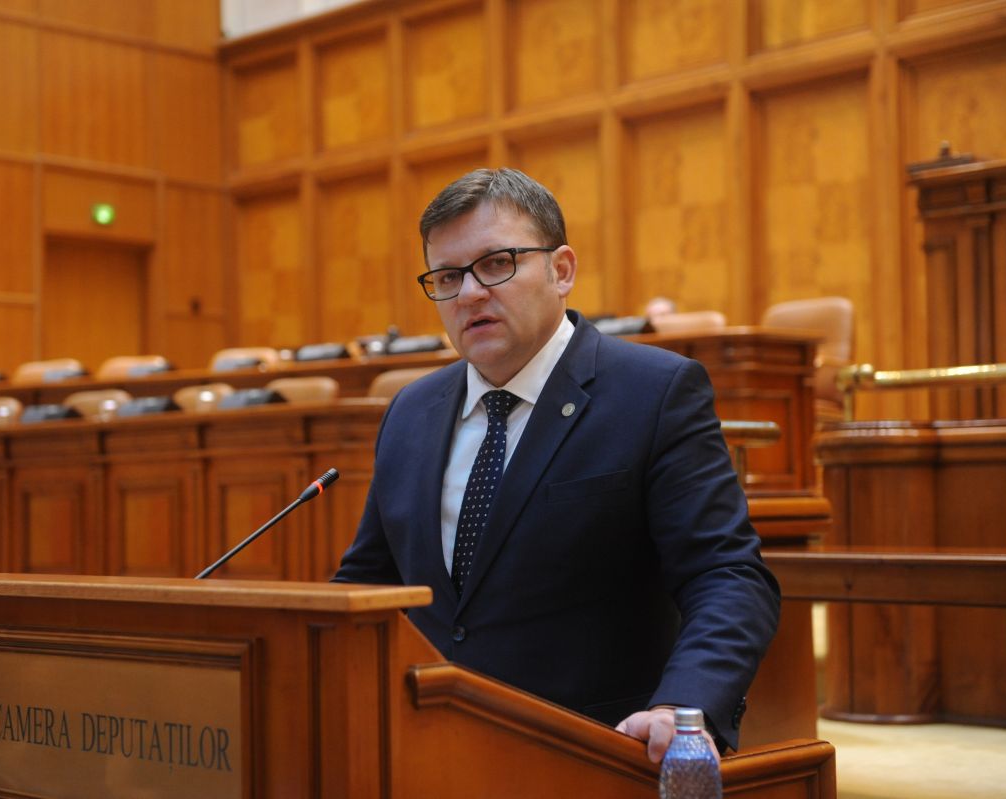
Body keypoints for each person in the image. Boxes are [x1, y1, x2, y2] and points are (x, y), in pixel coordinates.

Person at [333, 167, 779, 761]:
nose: (469, 294)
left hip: (593, 755)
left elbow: (725, 574)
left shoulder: (654, 392)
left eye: (497, 264)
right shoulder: (411, 412)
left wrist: (682, 705)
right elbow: (369, 584)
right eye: (448, 277)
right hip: (429, 750)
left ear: (561, 270)